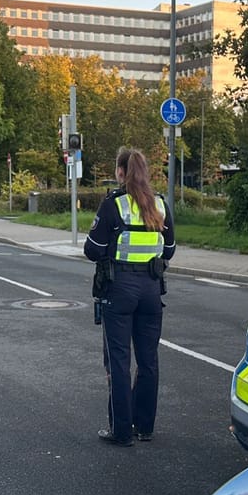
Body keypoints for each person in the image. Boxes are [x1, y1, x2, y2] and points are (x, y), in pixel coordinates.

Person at [84, 147, 176, 447]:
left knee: (119, 361)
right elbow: (170, 249)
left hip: (119, 289)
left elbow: (92, 250)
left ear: (121, 172)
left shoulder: (114, 204)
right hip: (151, 289)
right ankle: (145, 426)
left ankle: (121, 431)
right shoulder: (160, 204)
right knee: (148, 361)